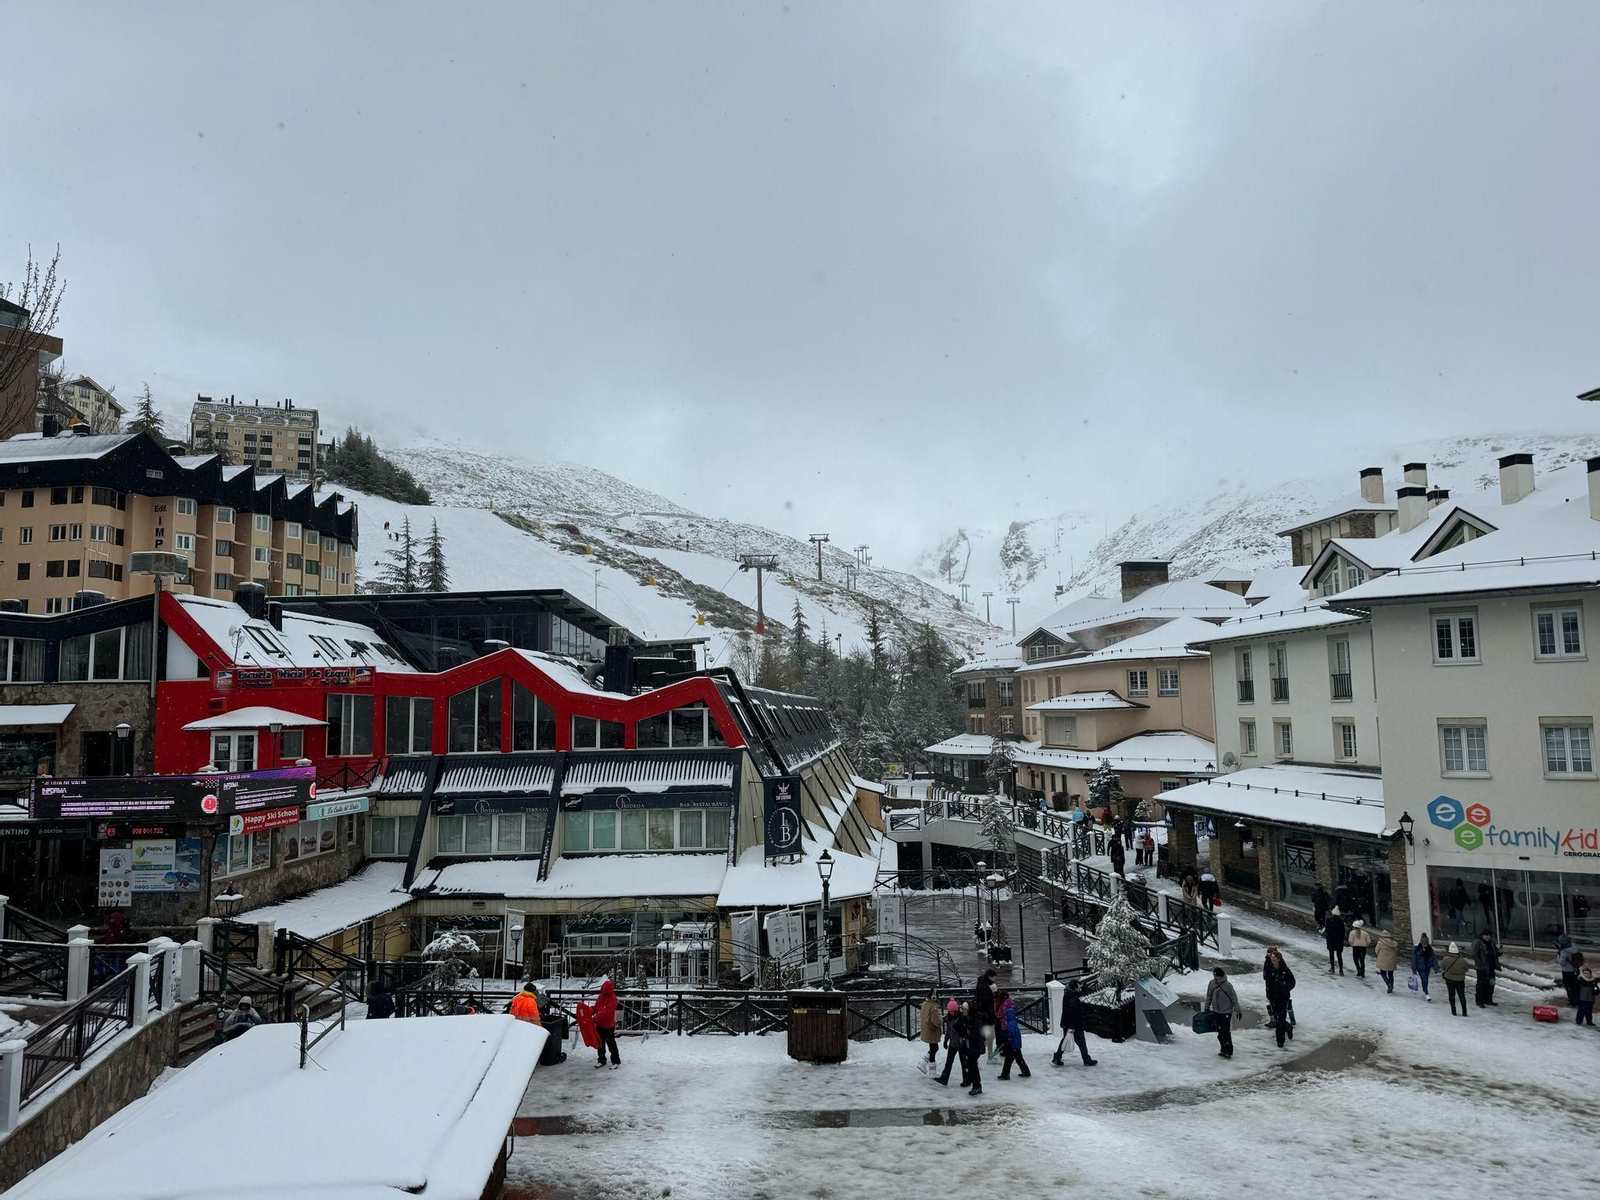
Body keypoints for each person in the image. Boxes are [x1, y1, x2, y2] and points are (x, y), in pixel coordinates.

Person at [1052, 978, 1097, 1067]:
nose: (1080, 989)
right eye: (1079, 987)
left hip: (1067, 1023)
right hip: (1075, 1024)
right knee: (1081, 1041)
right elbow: (1072, 1012)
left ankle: (1057, 1057)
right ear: (1075, 988)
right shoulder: (1073, 997)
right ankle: (1086, 1059)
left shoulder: (1069, 994)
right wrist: (1072, 1026)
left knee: (1066, 1039)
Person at [1262, 948, 1296, 1049]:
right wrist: (1268, 994)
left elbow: (1292, 982)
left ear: (1279, 959)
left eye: (1274, 958)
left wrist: (1285, 989)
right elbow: (1268, 982)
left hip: (1282, 998)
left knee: (1280, 1018)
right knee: (1277, 1018)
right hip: (1273, 997)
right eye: (1271, 957)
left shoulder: (1285, 970)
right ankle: (1288, 1027)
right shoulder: (1270, 969)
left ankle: (1280, 1040)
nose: (1272, 959)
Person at [995, 990, 1030, 1080]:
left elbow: (1011, 1033)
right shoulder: (1012, 1019)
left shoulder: (1009, 1023)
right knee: (1015, 1057)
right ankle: (1024, 1071)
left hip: (1012, 1043)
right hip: (1015, 1043)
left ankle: (1006, 1074)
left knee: (1012, 1058)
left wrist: (1009, 1039)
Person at [1205, 968, 1240, 1058]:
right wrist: (1207, 1007)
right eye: (1214, 976)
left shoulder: (1227, 986)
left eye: (1216, 976)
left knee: (1225, 1032)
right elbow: (1209, 996)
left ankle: (1228, 1050)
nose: (1215, 978)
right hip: (1216, 1012)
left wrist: (1237, 1010)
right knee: (1220, 1033)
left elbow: (1234, 998)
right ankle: (1223, 1049)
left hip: (1226, 1012)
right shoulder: (1212, 983)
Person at [934, 999, 970, 1088]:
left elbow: (963, 1031)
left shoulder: (961, 1018)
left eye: (953, 1011)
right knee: (949, 1062)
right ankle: (944, 1078)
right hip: (953, 1043)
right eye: (950, 1011)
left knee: (964, 1062)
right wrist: (946, 1040)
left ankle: (967, 1080)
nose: (952, 1013)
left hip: (961, 1043)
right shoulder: (949, 1019)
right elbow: (948, 1031)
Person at [593, 978, 621, 1069]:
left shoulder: (612, 998)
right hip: (599, 1024)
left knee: (611, 1044)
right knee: (600, 1044)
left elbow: (606, 1011)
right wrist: (590, 1010)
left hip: (608, 1026)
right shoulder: (601, 997)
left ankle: (616, 1061)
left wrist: (596, 1017)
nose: (603, 992)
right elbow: (597, 1007)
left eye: (604, 990)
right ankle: (601, 1059)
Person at [1440, 941, 1471, 1016]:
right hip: (1460, 979)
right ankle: (1464, 1011)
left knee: (1451, 995)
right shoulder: (1462, 960)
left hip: (1449, 978)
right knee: (1462, 996)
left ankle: (1453, 1011)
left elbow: (1442, 967)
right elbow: (1466, 969)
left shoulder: (1445, 959)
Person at [973, 968, 998, 1062]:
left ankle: (987, 1056)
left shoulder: (980, 984)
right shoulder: (986, 987)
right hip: (987, 1015)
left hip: (982, 1015)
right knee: (989, 1037)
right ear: (991, 977)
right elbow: (987, 1002)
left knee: (987, 1037)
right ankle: (987, 1056)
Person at [1473, 930, 1501, 1008]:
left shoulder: (1491, 943)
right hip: (1482, 968)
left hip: (1491, 967)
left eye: (1489, 935)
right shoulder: (1478, 943)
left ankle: (1488, 999)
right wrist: (1480, 965)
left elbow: (1495, 952)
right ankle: (1479, 1000)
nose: (1488, 937)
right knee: (1481, 984)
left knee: (1491, 984)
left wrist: (1499, 952)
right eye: (1486, 935)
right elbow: (1474, 955)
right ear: (1482, 935)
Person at [1412, 934, 1439, 1002]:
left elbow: (1434, 958)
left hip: (1427, 967)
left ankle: (1424, 990)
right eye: (1423, 944)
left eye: (1426, 944)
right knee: (1424, 979)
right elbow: (1414, 959)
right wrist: (1414, 969)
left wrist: (1436, 967)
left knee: (1426, 979)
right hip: (1420, 967)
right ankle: (1426, 993)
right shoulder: (1417, 949)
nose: (1425, 946)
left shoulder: (1430, 949)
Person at [1556, 935, 1581, 1006]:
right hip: (1576, 969)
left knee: (1569, 986)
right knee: (1575, 985)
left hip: (1567, 971)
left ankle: (1572, 1001)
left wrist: (1558, 956)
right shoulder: (1574, 946)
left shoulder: (1564, 952)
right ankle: (1577, 999)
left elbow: (1562, 963)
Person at [919, 992, 943, 1065]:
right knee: (934, 1048)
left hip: (926, 1029)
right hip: (932, 1030)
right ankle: (929, 1068)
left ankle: (924, 1064)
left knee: (932, 1048)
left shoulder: (925, 1004)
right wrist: (941, 1020)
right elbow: (936, 1021)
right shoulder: (933, 1006)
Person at [1374, 927, 1400, 993]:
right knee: (1390, 974)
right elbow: (1396, 951)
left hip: (1383, 960)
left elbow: (1376, 951)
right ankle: (1391, 985)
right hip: (1391, 960)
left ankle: (1389, 984)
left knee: (1383, 973)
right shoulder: (1394, 943)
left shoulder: (1380, 943)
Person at [1323, 907, 1347, 976]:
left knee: (1331, 954)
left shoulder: (1329, 921)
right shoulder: (1341, 923)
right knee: (1339, 956)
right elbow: (1343, 932)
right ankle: (1341, 970)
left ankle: (1332, 967)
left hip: (1331, 940)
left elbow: (1327, 930)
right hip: (1339, 941)